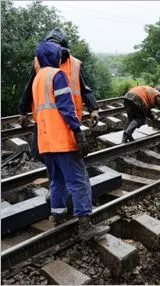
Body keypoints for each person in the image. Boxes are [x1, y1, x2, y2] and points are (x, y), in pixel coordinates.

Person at [32, 41, 109, 239]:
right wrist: (78, 131)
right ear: (52, 56)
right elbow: (66, 108)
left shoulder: (38, 78)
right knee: (79, 181)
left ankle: (58, 216)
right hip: (62, 139)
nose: (60, 58)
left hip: (45, 140)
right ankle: (85, 227)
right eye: (58, 55)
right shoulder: (56, 76)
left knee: (56, 180)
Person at [18, 28, 99, 161]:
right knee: (40, 154)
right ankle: (57, 177)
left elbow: (85, 89)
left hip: (68, 119)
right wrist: (23, 111)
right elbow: (29, 89)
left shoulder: (75, 64)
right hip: (45, 119)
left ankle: (61, 177)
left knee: (67, 156)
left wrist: (93, 109)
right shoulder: (37, 63)